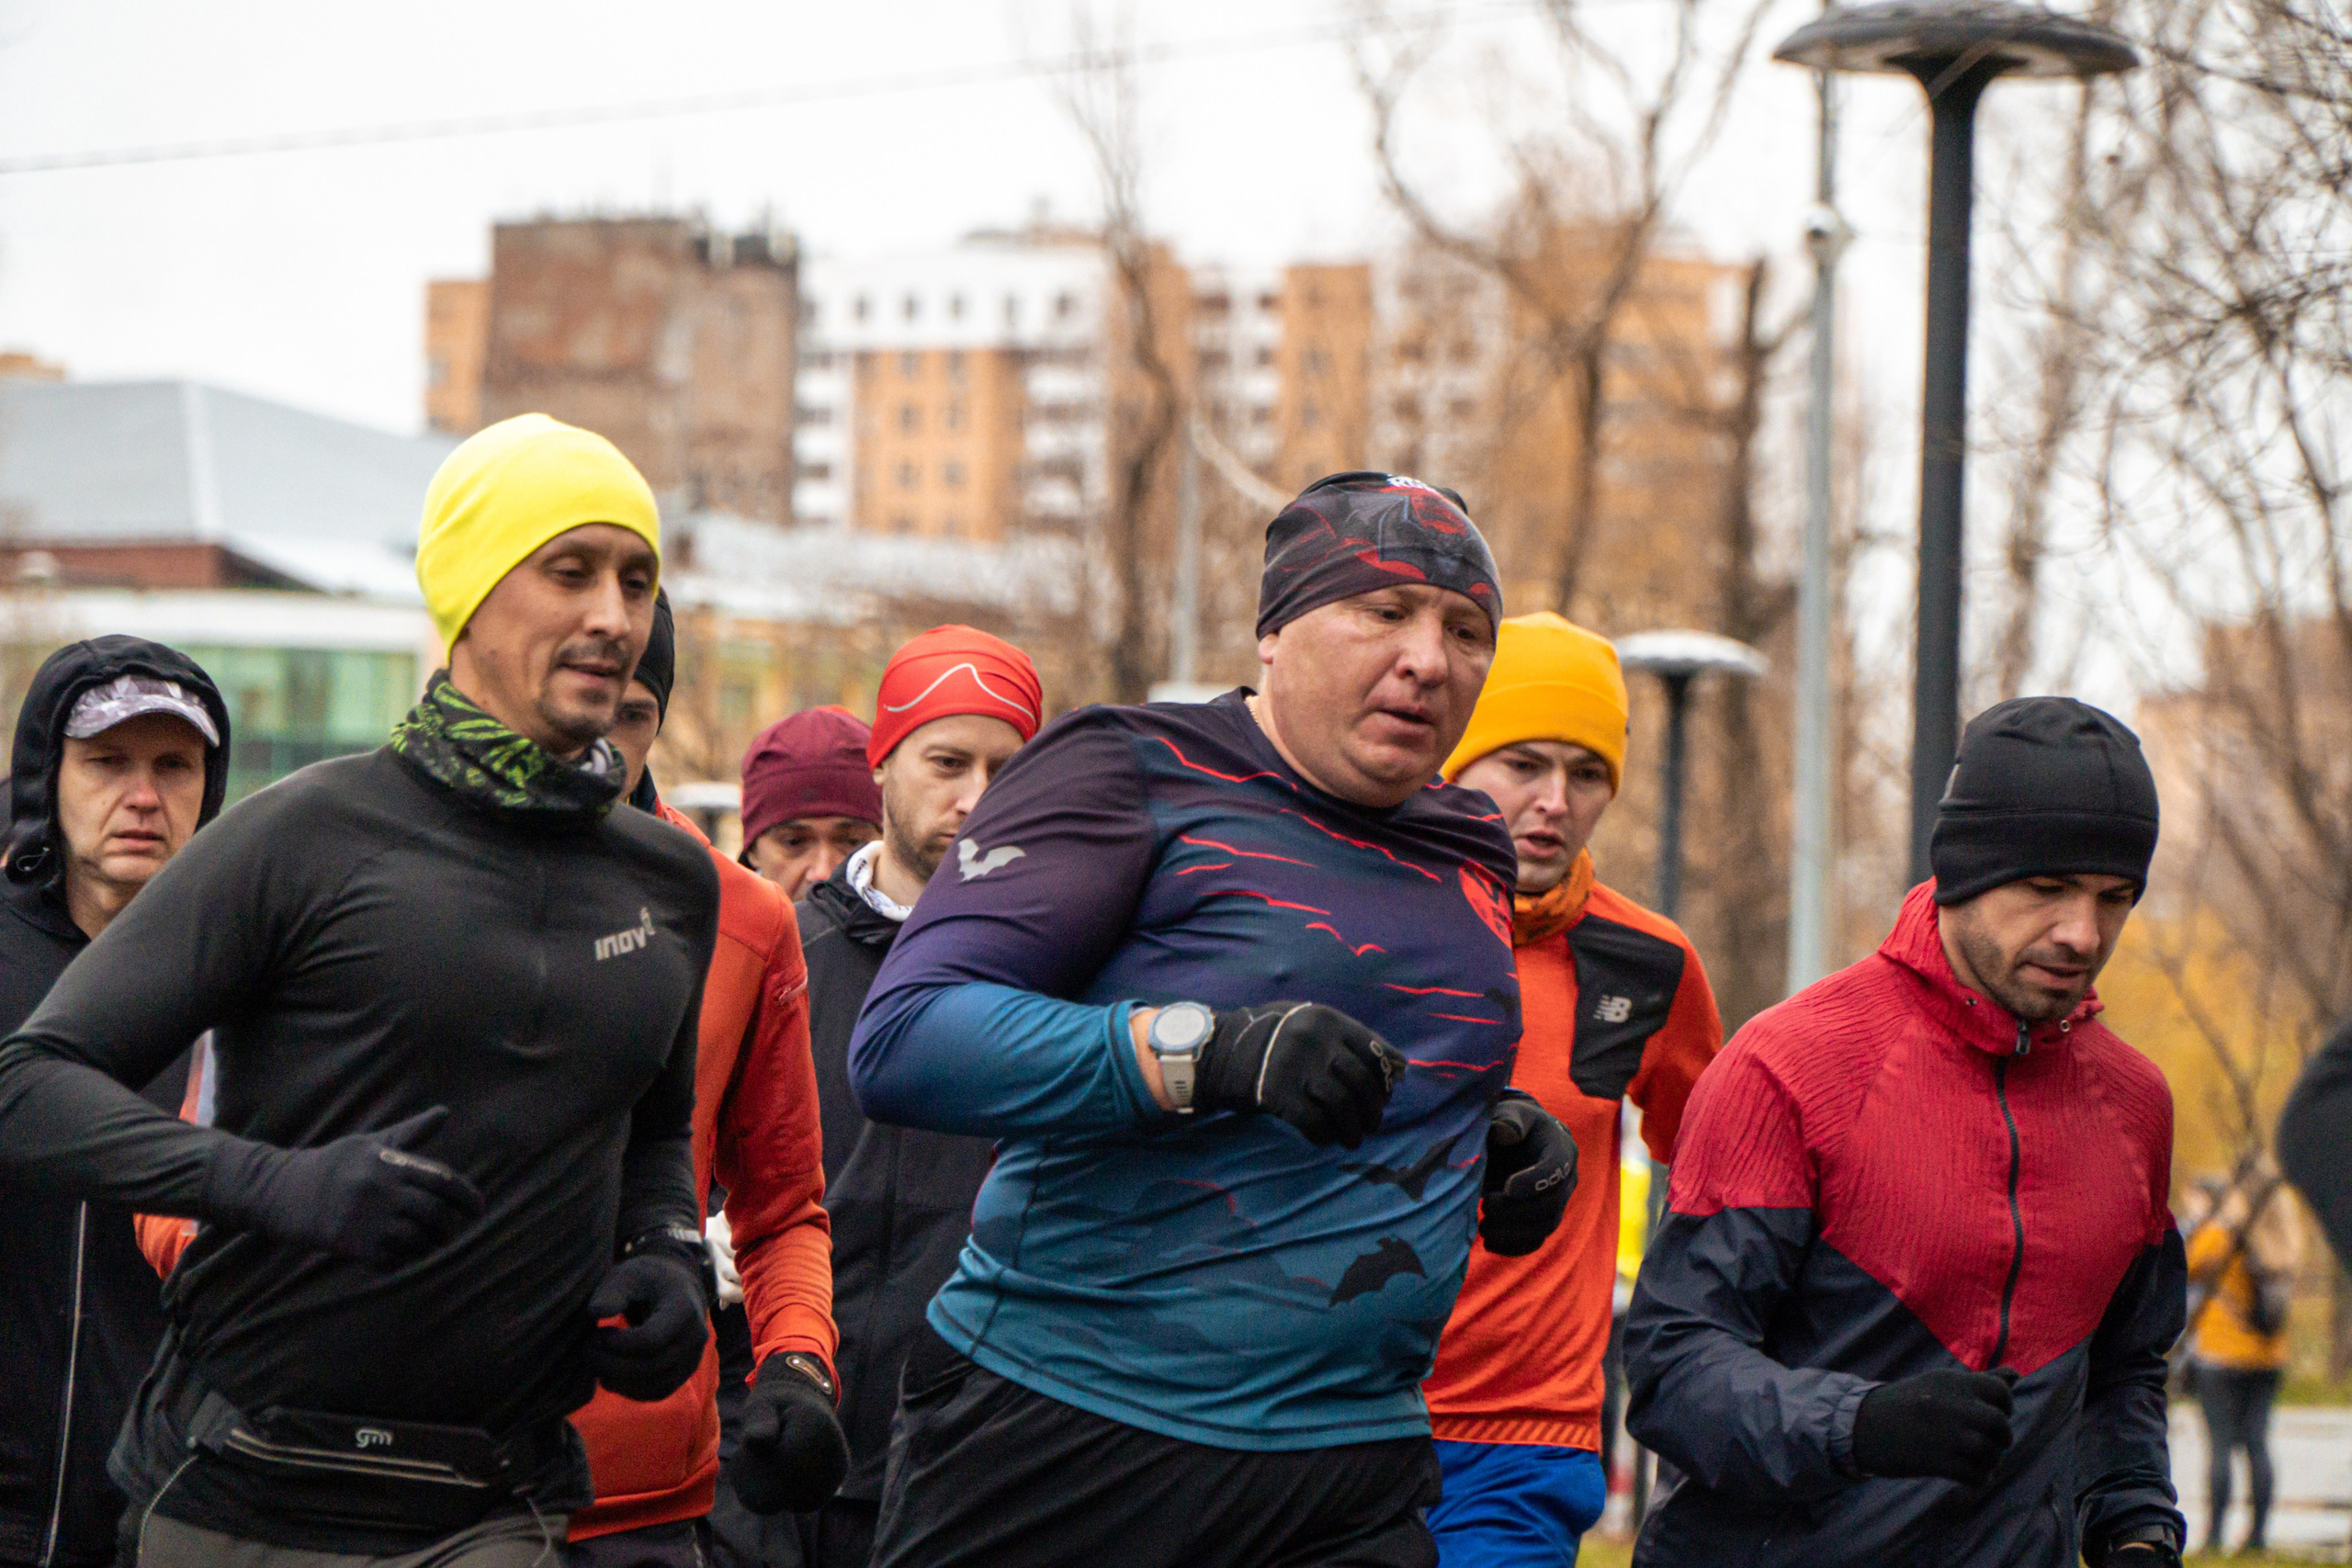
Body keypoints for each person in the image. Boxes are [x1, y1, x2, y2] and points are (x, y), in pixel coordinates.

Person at [0, 412, 719, 1567]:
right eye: (570, 571)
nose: (613, 617)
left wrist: (669, 1253)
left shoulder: (672, 880)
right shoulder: (302, 837)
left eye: (636, 581)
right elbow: (28, 1088)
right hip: (246, 1487)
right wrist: (277, 1187)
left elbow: (654, 1130)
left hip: (500, 1499)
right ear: (472, 598)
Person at [850, 472, 1577, 1568]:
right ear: (1275, 631)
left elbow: (1379, 1049)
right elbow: (906, 1037)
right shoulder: (1131, 768)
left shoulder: (1470, 844)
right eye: (1384, 612)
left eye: (1466, 630)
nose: (1430, 658)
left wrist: (1491, 1133)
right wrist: (1205, 1053)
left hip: (1352, 1462)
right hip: (1069, 1437)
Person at [1624, 695, 2186, 1568]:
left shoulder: (2135, 1106)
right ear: (1964, 869)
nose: (2082, 932)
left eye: (2114, 897)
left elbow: (2123, 1373)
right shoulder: (1789, 1065)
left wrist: (2136, 1527)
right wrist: (1858, 1424)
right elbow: (1673, 1367)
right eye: (2045, 887)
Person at [1421, 614, 1723, 1567]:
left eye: (1585, 774)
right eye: (1523, 763)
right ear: (1454, 762)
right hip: (1333, 1412)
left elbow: (1723, 1177)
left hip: (1524, 1439)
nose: (1554, 800)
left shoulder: (1650, 964)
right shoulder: (1358, 918)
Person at [786, 626, 1040, 1568]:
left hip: (960, 1471)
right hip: (773, 1449)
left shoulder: (1060, 978)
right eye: (946, 761)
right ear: (881, 763)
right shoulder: (782, 954)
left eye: (1004, 769)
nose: (975, 798)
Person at [0, 642, 230, 1568]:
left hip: (171, 1518)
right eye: (106, 762)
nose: (143, 795)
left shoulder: (249, 986)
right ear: (44, 779)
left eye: (174, 765)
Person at [2182, 1163, 2300, 1557]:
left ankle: (2215, 1537)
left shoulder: (2223, 1235)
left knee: (2218, 1445)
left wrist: (2202, 1219)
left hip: (2221, 1356)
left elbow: (2187, 1265)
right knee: (2257, 1443)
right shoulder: (2283, 1237)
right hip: (2268, 1358)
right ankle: (2258, 1538)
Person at [739, 709, 883, 900]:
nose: (823, 873)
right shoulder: (705, 927)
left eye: (853, 842)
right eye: (794, 842)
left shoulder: (927, 926)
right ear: (752, 851)